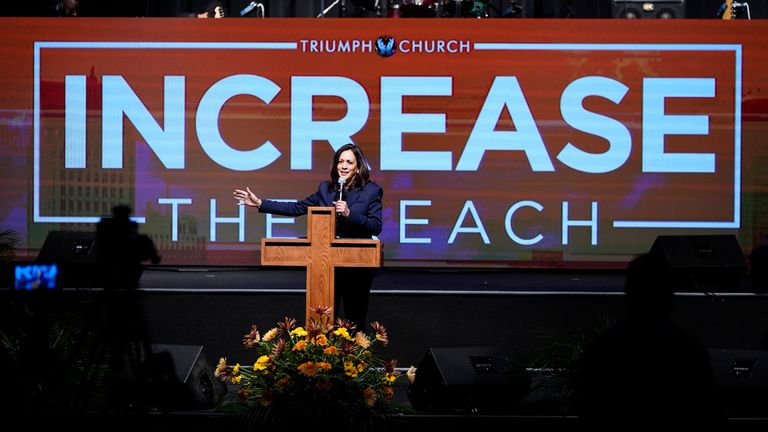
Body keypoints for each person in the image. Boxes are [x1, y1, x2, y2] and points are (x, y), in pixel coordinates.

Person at [234, 143, 383, 329]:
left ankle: (355, 358)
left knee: (355, 321)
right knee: (325, 321)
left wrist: (349, 213)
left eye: (349, 162)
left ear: (358, 167)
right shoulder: (325, 189)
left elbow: (376, 226)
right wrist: (261, 203)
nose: (343, 166)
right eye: (340, 161)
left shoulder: (371, 191)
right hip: (326, 265)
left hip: (357, 266)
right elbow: (296, 207)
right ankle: (323, 357)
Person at [573, 253, 724, 427]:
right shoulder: (687, 349)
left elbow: (588, 411)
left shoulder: (601, 349)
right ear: (668, 296)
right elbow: (708, 412)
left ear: (628, 292)